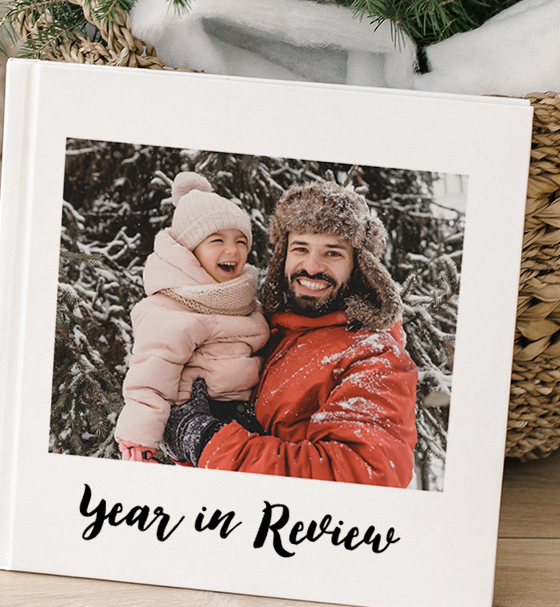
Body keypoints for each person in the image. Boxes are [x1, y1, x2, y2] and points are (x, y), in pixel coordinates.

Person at [162, 181, 418, 486]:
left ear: (359, 267)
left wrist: (207, 440)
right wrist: (190, 440)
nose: (312, 266)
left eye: (333, 253)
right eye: (300, 249)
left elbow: (362, 477)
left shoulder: (374, 357)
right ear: (283, 255)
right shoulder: (262, 335)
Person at [114, 172, 270, 462]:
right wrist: (139, 441)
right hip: (193, 420)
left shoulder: (245, 301)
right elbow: (151, 376)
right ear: (190, 251)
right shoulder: (171, 307)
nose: (232, 250)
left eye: (241, 241)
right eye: (217, 240)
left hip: (242, 418)